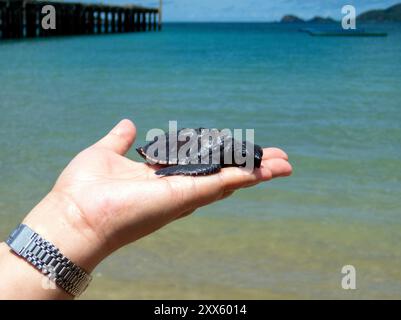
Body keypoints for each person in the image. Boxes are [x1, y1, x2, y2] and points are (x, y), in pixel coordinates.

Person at [0, 119, 292, 299]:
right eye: (248, 157)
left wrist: (78, 227)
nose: (251, 161)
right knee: (211, 167)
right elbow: (210, 160)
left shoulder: (232, 148)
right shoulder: (220, 154)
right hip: (171, 152)